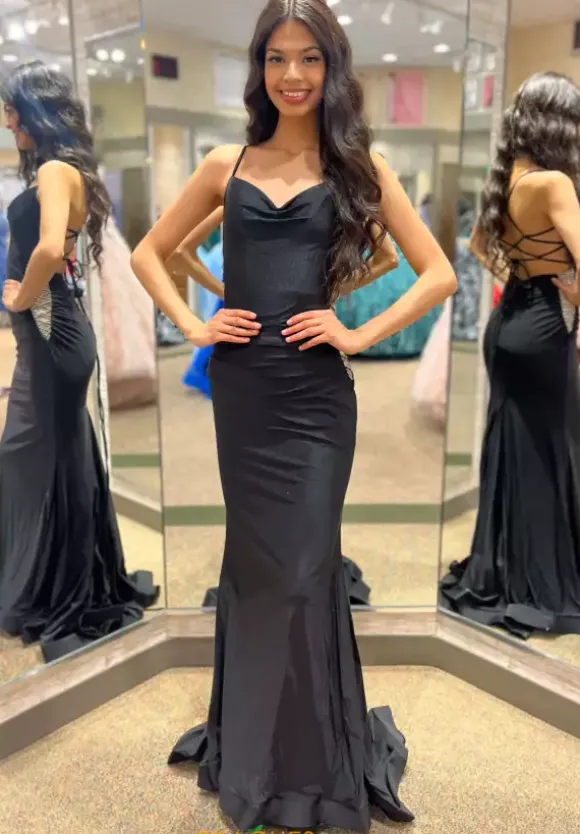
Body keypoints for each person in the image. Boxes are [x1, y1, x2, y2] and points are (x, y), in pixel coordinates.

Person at [131, 2, 456, 830]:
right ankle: (256, 750)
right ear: (259, 69)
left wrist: (356, 332)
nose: (293, 75)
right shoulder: (225, 163)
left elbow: (437, 272)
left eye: (309, 58)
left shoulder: (359, 168)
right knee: (258, 567)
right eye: (276, 58)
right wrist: (195, 324)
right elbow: (148, 252)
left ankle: (312, 762)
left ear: (331, 67)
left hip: (316, 398)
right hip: (244, 391)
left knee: (308, 567)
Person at [0, 61, 158, 663]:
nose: (8, 122)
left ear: (34, 111)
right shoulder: (58, 170)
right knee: (52, 454)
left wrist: (20, 294)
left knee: (35, 455)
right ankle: (58, 576)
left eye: (12, 111)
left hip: (51, 332)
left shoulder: (55, 171)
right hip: (50, 333)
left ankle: (61, 586)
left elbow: (47, 250)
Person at [440, 72, 580, 639]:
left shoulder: (508, 179)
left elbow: (480, 248)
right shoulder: (554, 183)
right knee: (554, 447)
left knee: (515, 447)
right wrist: (567, 290)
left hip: (508, 325)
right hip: (544, 326)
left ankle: (509, 565)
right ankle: (543, 575)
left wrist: (525, 274)